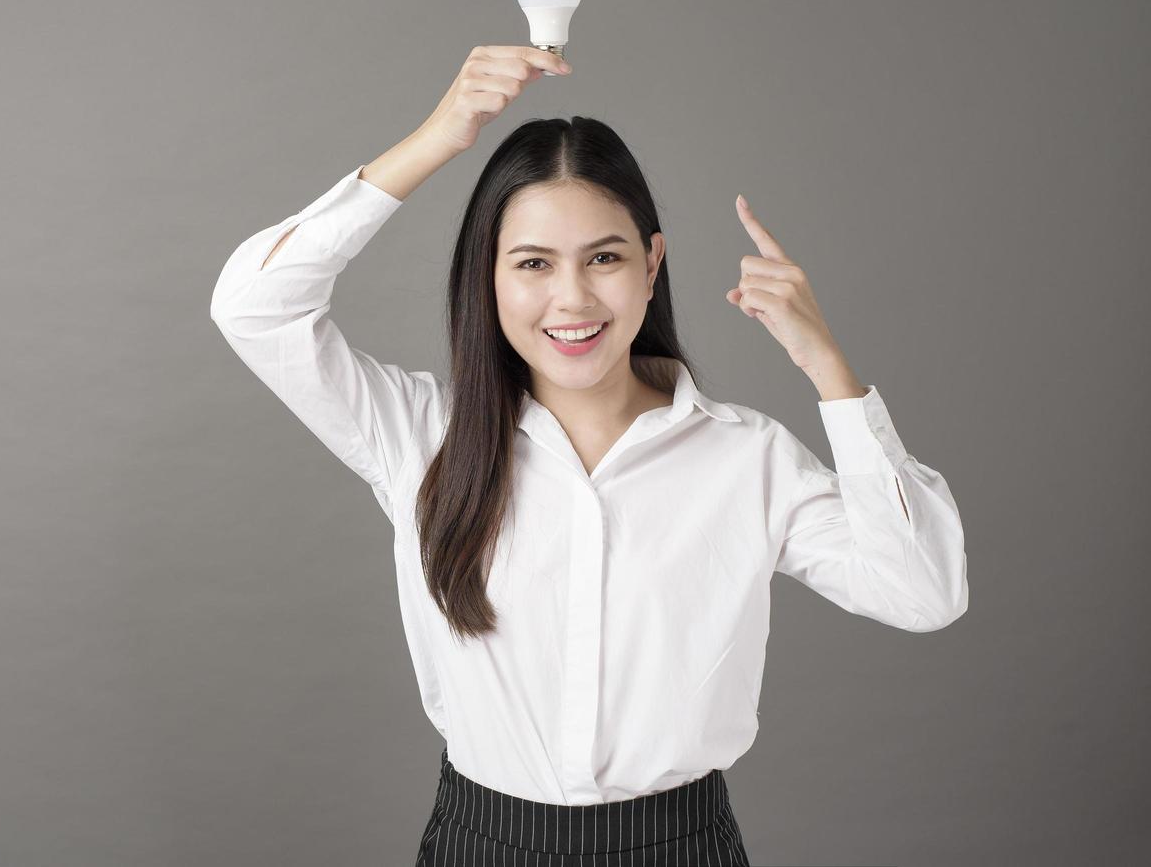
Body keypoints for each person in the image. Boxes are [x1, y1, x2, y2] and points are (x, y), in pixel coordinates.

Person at [209, 45, 969, 866]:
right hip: (480, 845)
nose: (571, 299)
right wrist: (439, 136)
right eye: (532, 263)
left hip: (678, 848)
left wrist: (829, 369)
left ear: (652, 265)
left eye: (603, 258)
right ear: (488, 279)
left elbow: (924, 593)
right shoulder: (420, 435)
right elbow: (255, 308)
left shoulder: (747, 460)